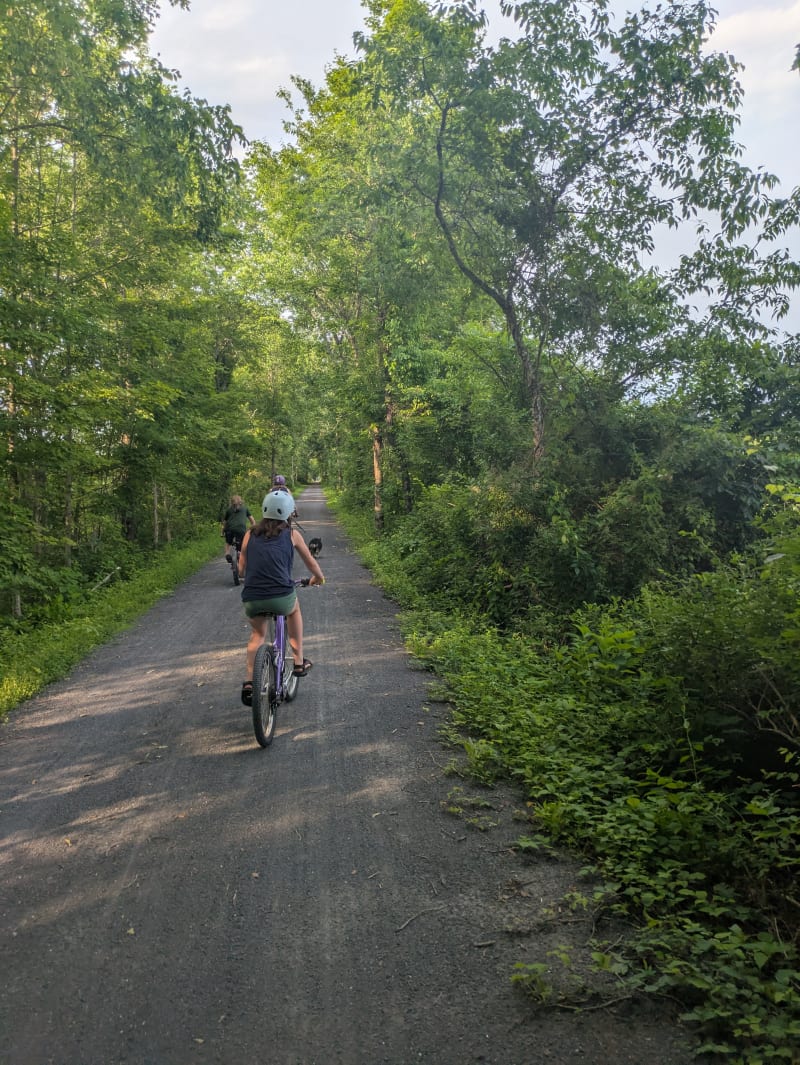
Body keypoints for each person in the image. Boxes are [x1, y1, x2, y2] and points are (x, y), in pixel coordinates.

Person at [238, 489, 325, 706]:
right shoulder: (292, 535)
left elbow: (241, 569)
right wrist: (318, 578)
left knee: (257, 634)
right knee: (294, 610)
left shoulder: (249, 534)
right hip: (281, 596)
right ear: (288, 512)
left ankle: (249, 683)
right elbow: (311, 562)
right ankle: (298, 662)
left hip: (253, 597)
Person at [221, 494, 255, 563]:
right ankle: (240, 554)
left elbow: (224, 523)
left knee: (228, 542)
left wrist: (222, 532)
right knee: (242, 544)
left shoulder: (228, 510)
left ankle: (227, 554)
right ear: (241, 502)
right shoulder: (245, 508)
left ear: (231, 503)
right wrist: (252, 529)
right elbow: (252, 521)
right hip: (241, 529)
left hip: (229, 529)